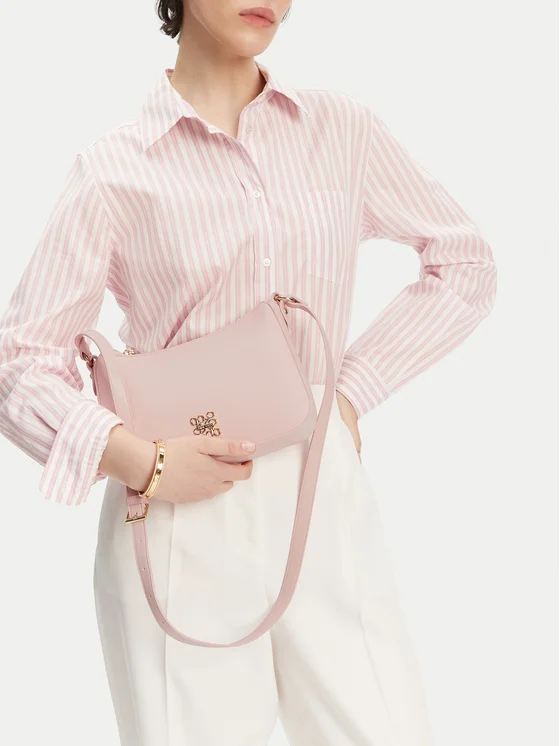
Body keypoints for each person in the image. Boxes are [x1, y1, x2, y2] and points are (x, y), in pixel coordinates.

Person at [0, 1, 497, 744]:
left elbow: (464, 262)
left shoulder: (342, 130)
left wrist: (350, 391)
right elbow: (19, 360)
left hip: (321, 491)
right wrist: (142, 461)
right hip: (179, 509)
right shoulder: (114, 168)